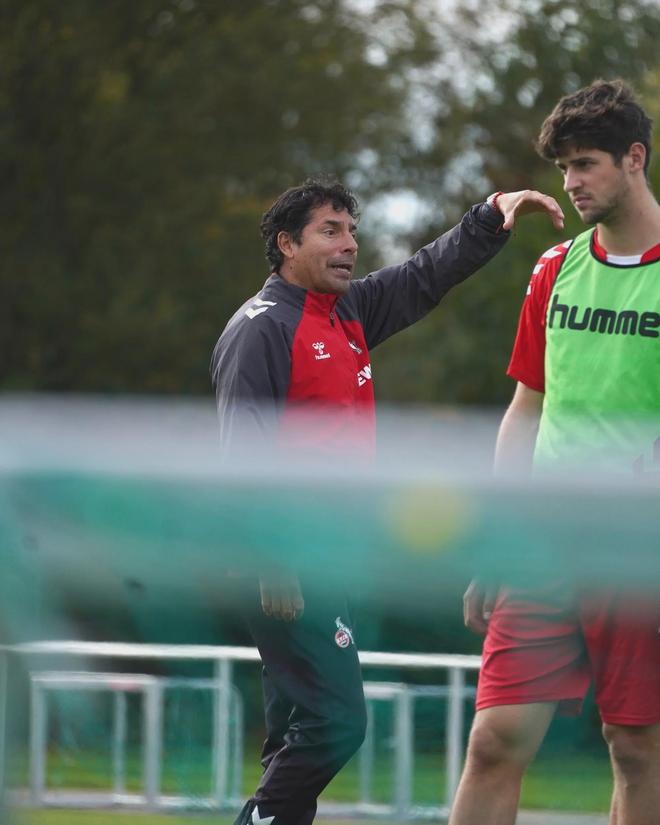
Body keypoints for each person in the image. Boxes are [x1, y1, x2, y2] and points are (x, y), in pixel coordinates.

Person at [211, 178, 563, 825]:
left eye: (352, 230)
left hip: (330, 560)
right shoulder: (261, 329)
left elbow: (424, 275)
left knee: (298, 731)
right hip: (287, 566)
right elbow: (243, 453)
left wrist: (490, 215)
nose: (350, 244)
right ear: (287, 244)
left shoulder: (348, 312)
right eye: (330, 231)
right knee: (338, 721)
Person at [452, 80, 660, 825]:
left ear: (634, 158)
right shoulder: (554, 268)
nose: (570, 182)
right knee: (493, 741)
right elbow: (526, 411)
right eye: (564, 167)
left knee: (636, 751)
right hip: (543, 547)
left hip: (641, 554)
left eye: (585, 164)